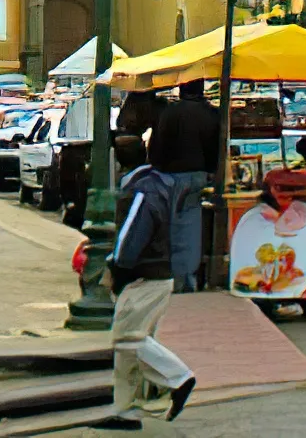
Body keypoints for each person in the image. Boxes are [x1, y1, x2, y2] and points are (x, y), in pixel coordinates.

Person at [104, 135, 195, 430]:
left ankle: (178, 377)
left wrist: (115, 268)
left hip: (145, 276)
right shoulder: (158, 184)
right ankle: (125, 411)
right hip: (160, 275)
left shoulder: (142, 191)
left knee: (127, 337)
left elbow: (130, 238)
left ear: (118, 160)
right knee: (129, 347)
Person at [148, 79, 219, 292]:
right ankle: (187, 276)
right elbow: (216, 148)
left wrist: (156, 168)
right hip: (198, 175)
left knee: (170, 226)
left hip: (170, 175)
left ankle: (174, 276)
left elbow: (157, 146)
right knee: (190, 226)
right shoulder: (211, 114)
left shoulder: (170, 113)